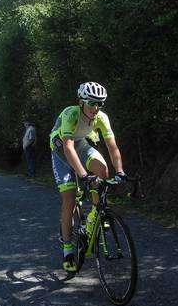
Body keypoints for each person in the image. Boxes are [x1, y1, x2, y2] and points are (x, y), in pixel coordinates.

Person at [50, 82, 126, 272]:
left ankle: (94, 216)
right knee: (69, 199)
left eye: (100, 103)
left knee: (102, 170)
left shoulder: (101, 117)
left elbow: (112, 146)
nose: (96, 107)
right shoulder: (71, 113)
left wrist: (120, 171)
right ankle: (67, 249)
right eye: (91, 103)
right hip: (61, 149)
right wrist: (83, 175)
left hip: (81, 144)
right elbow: (68, 147)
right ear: (81, 102)